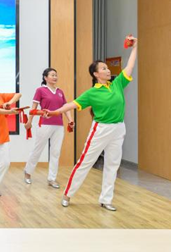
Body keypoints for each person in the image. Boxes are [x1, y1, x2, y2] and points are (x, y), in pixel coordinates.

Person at [45, 36, 138, 211]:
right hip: (101, 129)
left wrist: (135, 48)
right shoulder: (91, 93)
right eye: (103, 68)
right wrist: (55, 112)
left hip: (119, 128)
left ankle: (106, 199)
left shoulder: (117, 84)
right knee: (85, 162)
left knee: (112, 164)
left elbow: (130, 67)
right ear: (96, 74)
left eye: (107, 68)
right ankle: (67, 194)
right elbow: (71, 104)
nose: (107, 70)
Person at [23, 68, 74, 189]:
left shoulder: (60, 92)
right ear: (45, 78)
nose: (55, 77)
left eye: (56, 75)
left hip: (59, 125)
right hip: (44, 124)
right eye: (52, 75)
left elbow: (65, 107)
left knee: (55, 152)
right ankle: (28, 172)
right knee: (38, 149)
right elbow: (33, 108)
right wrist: (29, 121)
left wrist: (70, 120)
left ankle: (52, 179)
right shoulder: (40, 90)